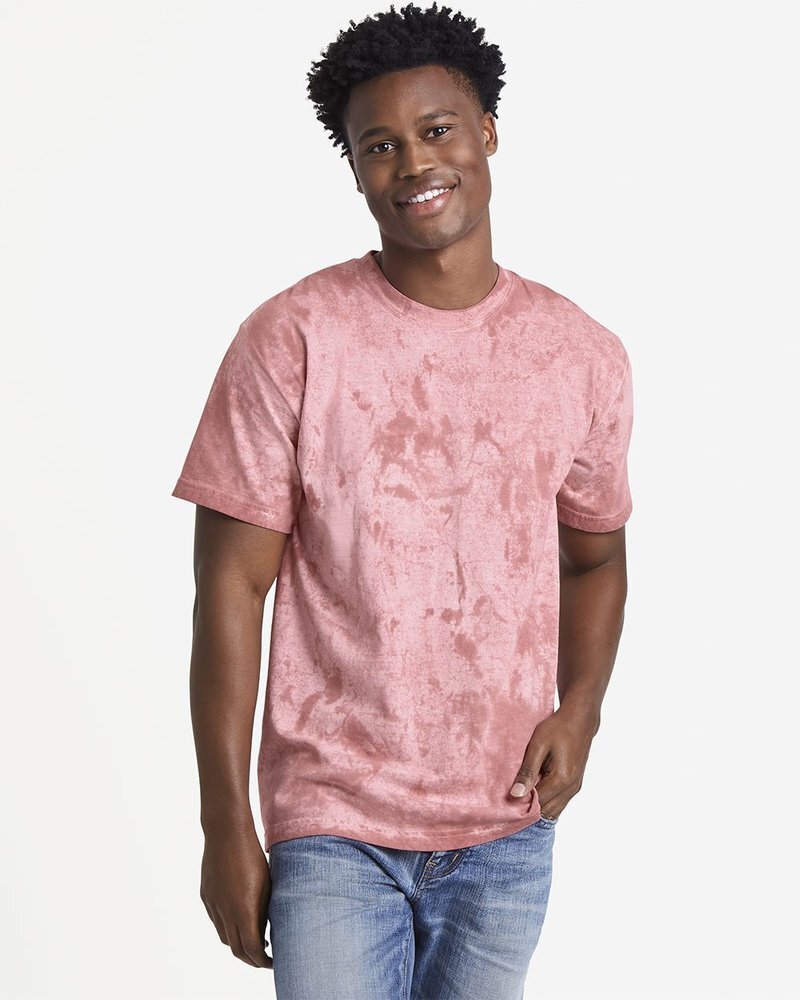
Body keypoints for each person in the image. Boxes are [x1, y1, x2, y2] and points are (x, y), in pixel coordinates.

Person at [170, 3, 634, 997]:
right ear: (352, 169)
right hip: (333, 823)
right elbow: (229, 590)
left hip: (506, 824)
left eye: (436, 130)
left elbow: (594, 553)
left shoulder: (580, 354)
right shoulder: (292, 338)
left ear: (486, 134)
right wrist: (225, 824)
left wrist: (582, 708)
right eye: (378, 145)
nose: (413, 162)